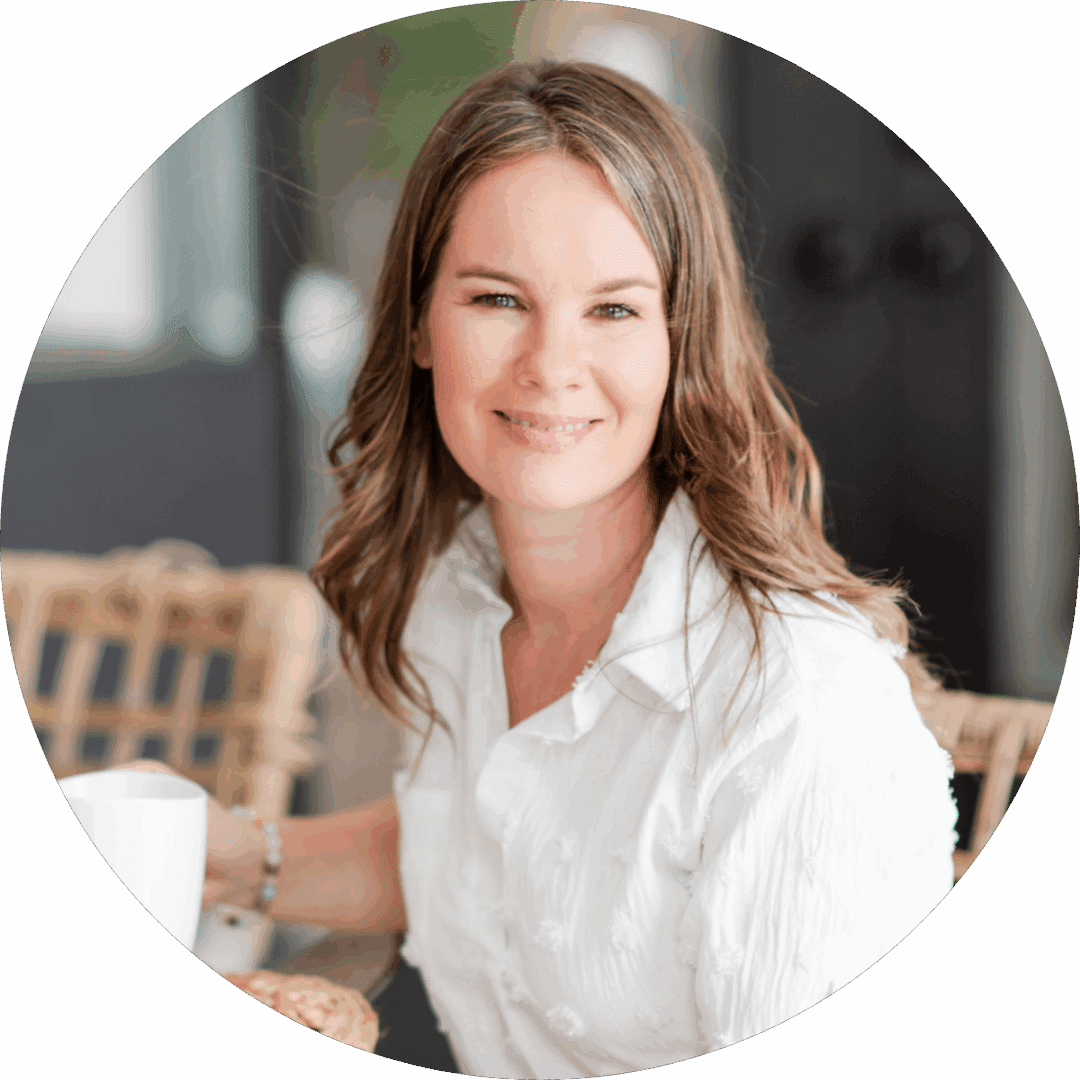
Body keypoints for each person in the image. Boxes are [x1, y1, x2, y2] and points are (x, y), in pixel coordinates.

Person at [132, 62, 957, 1076]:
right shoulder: (462, 589)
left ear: (679, 338)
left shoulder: (797, 704)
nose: (550, 365)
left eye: (612, 310)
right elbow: (496, 851)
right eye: (497, 298)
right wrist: (231, 856)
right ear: (421, 324)